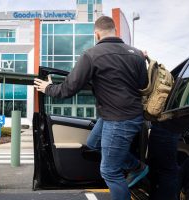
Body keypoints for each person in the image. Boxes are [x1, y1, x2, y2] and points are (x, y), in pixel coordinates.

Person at [34, 16, 148, 200]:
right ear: (114, 31)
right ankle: (137, 167)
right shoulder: (136, 54)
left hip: (118, 119)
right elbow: (143, 83)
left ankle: (136, 170)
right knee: (94, 143)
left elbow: (69, 88)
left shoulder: (91, 55)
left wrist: (48, 88)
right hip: (129, 115)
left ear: (96, 34)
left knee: (109, 171)